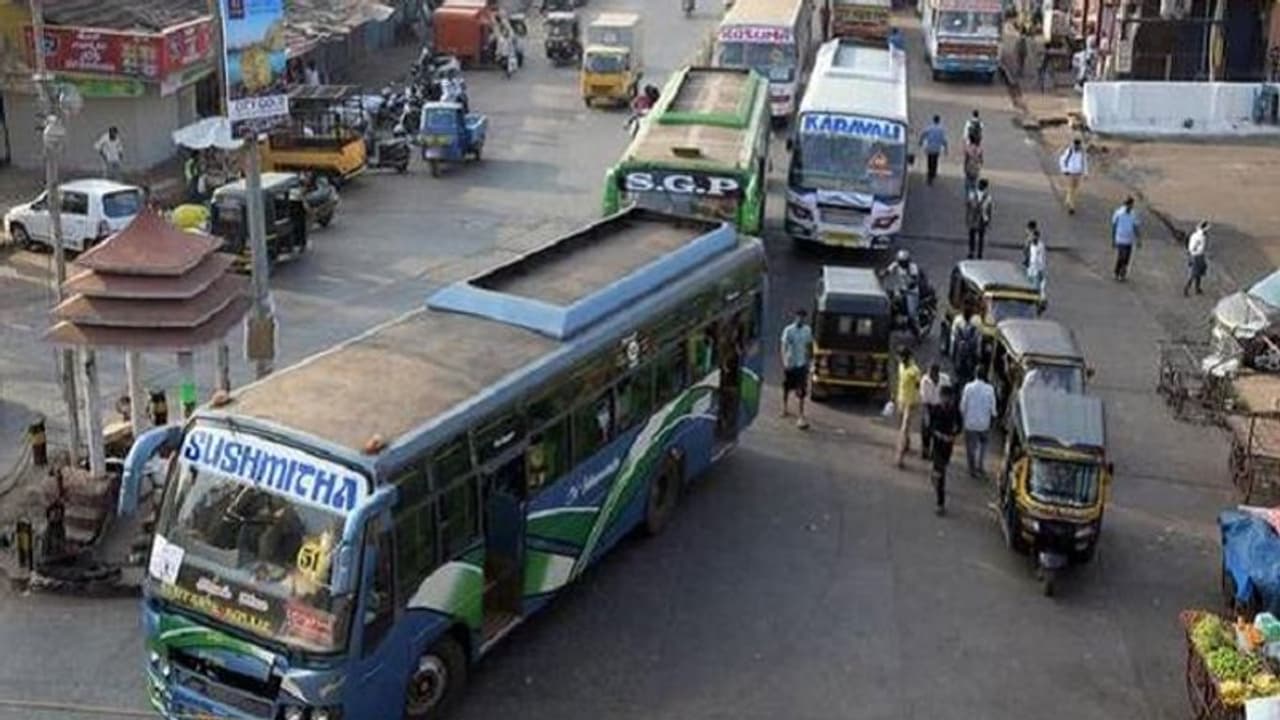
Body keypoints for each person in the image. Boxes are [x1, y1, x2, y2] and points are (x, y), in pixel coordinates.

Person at [928, 384, 963, 515]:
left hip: (948, 445)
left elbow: (960, 425)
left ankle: (935, 475)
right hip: (937, 444)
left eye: (947, 397)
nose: (945, 400)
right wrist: (939, 435)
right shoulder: (935, 409)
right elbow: (930, 427)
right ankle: (940, 503)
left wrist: (954, 435)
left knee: (942, 468)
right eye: (943, 397)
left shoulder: (954, 410)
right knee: (941, 474)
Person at [960, 370, 997, 478]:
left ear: (975, 375)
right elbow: (993, 409)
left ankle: (972, 468)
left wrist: (963, 420)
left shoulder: (968, 387)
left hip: (970, 423)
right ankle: (980, 466)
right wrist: (992, 421)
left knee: (971, 447)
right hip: (984, 424)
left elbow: (963, 406)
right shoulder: (990, 389)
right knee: (983, 446)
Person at [780, 309, 813, 429]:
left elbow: (809, 346)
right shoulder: (788, 330)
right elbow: (783, 346)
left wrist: (810, 361)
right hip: (790, 363)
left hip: (801, 363)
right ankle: (785, 407)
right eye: (799, 317)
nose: (800, 319)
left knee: (801, 389)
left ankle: (801, 414)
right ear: (795, 317)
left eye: (802, 317)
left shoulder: (807, 330)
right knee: (787, 387)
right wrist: (784, 360)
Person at [884, 249, 923, 335]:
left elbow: (915, 279)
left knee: (911, 314)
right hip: (900, 290)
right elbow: (887, 271)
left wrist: (911, 284)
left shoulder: (912, 267)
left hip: (911, 292)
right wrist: (882, 274)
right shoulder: (896, 264)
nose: (902, 264)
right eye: (900, 262)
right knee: (891, 303)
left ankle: (918, 331)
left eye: (903, 262)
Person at [894, 347, 922, 468]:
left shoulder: (914, 371)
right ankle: (907, 444)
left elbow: (918, 385)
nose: (898, 359)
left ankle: (899, 457)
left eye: (900, 356)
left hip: (911, 403)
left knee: (904, 429)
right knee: (902, 427)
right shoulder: (901, 366)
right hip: (901, 400)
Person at [919, 363, 950, 460]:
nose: (929, 375)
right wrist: (927, 416)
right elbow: (924, 400)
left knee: (938, 431)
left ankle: (935, 452)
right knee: (926, 430)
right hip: (928, 406)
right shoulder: (925, 380)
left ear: (936, 373)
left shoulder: (945, 379)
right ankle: (925, 450)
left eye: (931, 373)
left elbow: (948, 393)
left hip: (940, 407)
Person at [1111, 196, 1141, 281]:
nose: (1130, 207)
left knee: (1126, 258)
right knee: (1122, 256)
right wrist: (1113, 239)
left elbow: (1136, 227)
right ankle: (1118, 272)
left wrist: (1138, 239)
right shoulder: (1119, 213)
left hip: (1129, 240)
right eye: (1129, 205)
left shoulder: (1133, 214)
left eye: (1131, 205)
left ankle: (1121, 273)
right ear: (1126, 204)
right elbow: (1114, 225)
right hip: (1120, 238)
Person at [965, 178, 993, 259]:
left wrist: (988, 220)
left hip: (982, 218)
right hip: (974, 218)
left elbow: (989, 210)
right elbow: (968, 207)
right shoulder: (973, 194)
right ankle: (971, 251)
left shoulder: (987, 197)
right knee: (972, 236)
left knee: (980, 237)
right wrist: (967, 217)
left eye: (982, 185)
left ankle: (979, 252)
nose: (980, 186)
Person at [1058, 137, 1087, 214]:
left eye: (1078, 145)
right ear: (1074, 144)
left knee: (1075, 189)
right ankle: (1072, 207)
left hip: (1078, 173)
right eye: (1076, 145)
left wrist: (1085, 173)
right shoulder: (1069, 151)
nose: (1077, 146)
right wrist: (1064, 170)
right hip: (1070, 173)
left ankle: (1068, 199)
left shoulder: (1082, 152)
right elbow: (1062, 160)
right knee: (1071, 189)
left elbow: (1084, 162)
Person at [918, 115, 948, 186]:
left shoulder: (929, 128)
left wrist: (921, 141)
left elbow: (923, 134)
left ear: (933, 120)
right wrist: (946, 149)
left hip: (930, 148)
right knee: (935, 161)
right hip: (937, 149)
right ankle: (933, 173)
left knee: (929, 161)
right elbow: (944, 140)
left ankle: (929, 175)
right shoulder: (941, 130)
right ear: (939, 121)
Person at [951, 310, 979, 385]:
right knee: (958, 375)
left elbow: (975, 341)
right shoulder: (959, 323)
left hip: (968, 355)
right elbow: (955, 338)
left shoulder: (973, 327)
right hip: (961, 355)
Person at [1185, 221, 1209, 296]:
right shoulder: (1200, 237)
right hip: (1196, 256)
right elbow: (1193, 247)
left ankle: (1197, 288)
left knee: (1199, 273)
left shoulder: (1195, 235)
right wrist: (1193, 252)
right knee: (1194, 274)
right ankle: (1187, 289)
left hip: (1199, 255)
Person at [1025, 220, 1047, 295]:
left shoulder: (1040, 246)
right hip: (1031, 268)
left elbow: (1041, 259)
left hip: (1037, 269)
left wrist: (1040, 269)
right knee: (1029, 284)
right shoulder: (1030, 244)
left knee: (1036, 287)